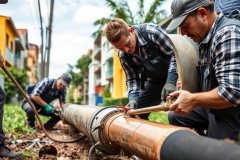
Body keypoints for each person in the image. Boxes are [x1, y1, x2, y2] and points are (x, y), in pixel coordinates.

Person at [166, 0, 240, 141]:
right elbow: (213, 79)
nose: (183, 33)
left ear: (202, 14)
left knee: (216, 152)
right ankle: (202, 146)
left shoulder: (227, 34)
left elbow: (233, 92)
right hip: (218, 109)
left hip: (233, 113)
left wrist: (192, 99)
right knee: (176, 116)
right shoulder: (205, 39)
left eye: (185, 25)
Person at [104, 18, 178, 120]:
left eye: (126, 44)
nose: (126, 50)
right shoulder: (123, 56)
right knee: (135, 112)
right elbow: (132, 79)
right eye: (120, 48)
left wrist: (171, 81)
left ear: (131, 31)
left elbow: (175, 55)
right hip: (155, 80)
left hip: (179, 74)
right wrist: (133, 99)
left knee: (179, 113)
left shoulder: (152, 33)